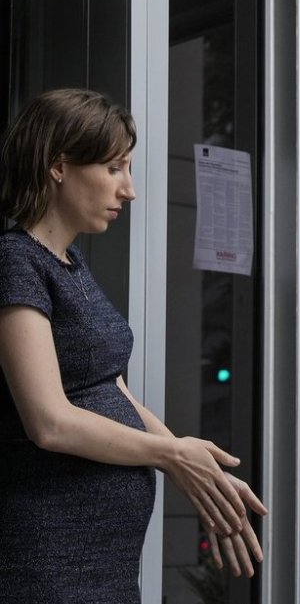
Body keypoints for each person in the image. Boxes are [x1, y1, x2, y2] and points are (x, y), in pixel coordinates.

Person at [0, 89, 267, 601]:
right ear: (59, 166)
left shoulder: (70, 264)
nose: (130, 190)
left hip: (105, 565)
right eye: (114, 168)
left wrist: (198, 469)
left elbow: (110, 386)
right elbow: (49, 422)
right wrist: (171, 455)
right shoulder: (16, 262)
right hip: (48, 561)